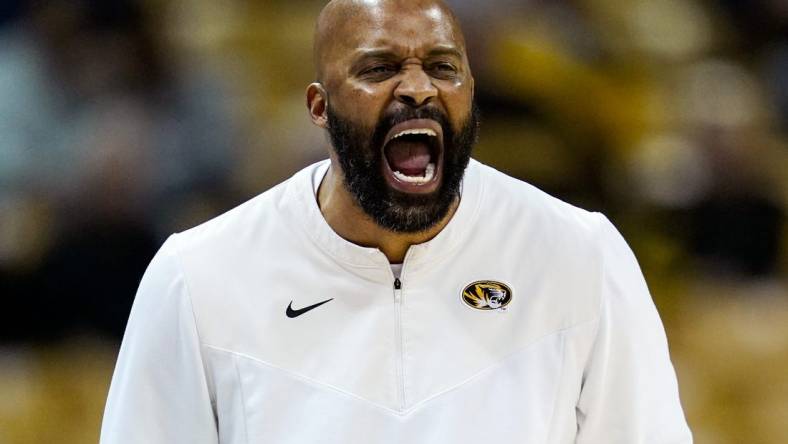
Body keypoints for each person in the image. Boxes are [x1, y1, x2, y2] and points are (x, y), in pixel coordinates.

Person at [100, 0, 693, 442]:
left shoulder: (579, 256)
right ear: (319, 107)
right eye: (379, 69)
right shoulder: (198, 276)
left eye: (442, 67)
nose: (416, 88)